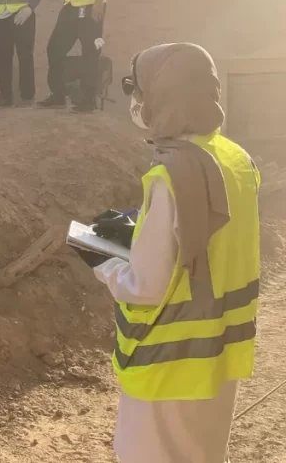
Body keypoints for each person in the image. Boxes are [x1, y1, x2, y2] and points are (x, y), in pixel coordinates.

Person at [86, 43, 260, 463]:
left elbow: (145, 287)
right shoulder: (235, 157)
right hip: (219, 355)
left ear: (164, 93)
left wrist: (102, 259)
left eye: (137, 87)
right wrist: (141, 227)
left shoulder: (172, 174)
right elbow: (209, 237)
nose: (135, 99)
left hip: (169, 365)